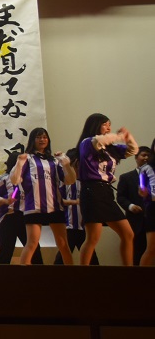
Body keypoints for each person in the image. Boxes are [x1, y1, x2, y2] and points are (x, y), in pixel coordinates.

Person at [77, 113, 137, 266]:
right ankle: (82, 273)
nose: (108, 127)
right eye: (105, 124)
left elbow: (133, 150)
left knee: (128, 234)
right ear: (95, 125)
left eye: (110, 124)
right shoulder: (87, 142)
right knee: (93, 238)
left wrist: (128, 137)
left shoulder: (110, 149)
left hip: (106, 192)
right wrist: (118, 136)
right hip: (92, 191)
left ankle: (129, 271)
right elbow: (98, 140)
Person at [10, 127, 76, 265]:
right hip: (34, 206)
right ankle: (23, 276)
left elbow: (70, 180)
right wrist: (19, 163)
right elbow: (15, 180)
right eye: (38, 137)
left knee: (63, 244)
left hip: (55, 206)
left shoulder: (54, 160)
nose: (42, 140)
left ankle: (71, 275)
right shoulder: (27, 158)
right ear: (32, 140)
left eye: (44, 137)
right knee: (32, 243)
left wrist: (66, 164)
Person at [0, 153, 43, 265]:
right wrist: (4, 201)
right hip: (9, 217)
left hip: (26, 217)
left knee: (35, 251)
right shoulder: (3, 178)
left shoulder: (30, 179)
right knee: (5, 252)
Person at [53, 149, 98, 265]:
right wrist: (75, 202)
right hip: (69, 226)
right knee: (61, 259)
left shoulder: (87, 181)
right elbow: (58, 201)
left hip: (84, 226)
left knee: (92, 260)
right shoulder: (65, 182)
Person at [117, 146, 152, 265]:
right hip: (135, 222)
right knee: (136, 253)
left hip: (152, 220)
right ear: (136, 158)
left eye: (149, 155)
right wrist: (131, 206)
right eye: (143, 155)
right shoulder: (126, 177)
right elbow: (120, 197)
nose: (146, 158)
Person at [137, 139, 155, 265]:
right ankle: (140, 276)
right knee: (151, 249)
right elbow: (142, 189)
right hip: (153, 208)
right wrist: (143, 191)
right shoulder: (146, 168)